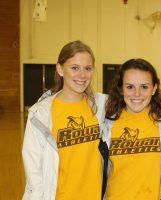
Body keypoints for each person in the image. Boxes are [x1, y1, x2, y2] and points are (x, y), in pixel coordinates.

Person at [22, 40, 107, 200]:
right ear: (60, 69)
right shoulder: (40, 114)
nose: (82, 75)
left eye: (87, 68)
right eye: (74, 68)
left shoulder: (101, 105)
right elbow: (33, 170)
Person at [100, 58, 161, 200]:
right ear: (121, 89)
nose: (137, 94)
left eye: (144, 87)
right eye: (130, 87)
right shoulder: (106, 124)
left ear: (154, 88)